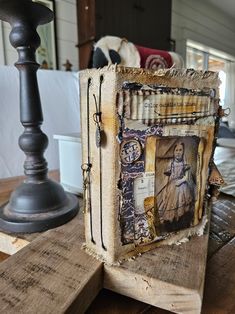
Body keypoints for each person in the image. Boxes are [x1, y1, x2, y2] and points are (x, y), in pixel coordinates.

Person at [157, 141, 195, 232]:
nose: (178, 152)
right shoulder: (171, 164)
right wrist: (165, 190)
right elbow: (167, 178)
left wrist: (181, 181)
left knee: (182, 205)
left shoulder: (185, 164)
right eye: (176, 150)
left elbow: (186, 177)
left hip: (182, 187)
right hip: (172, 187)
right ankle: (171, 225)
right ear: (174, 152)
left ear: (183, 151)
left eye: (180, 150)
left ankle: (180, 223)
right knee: (170, 205)